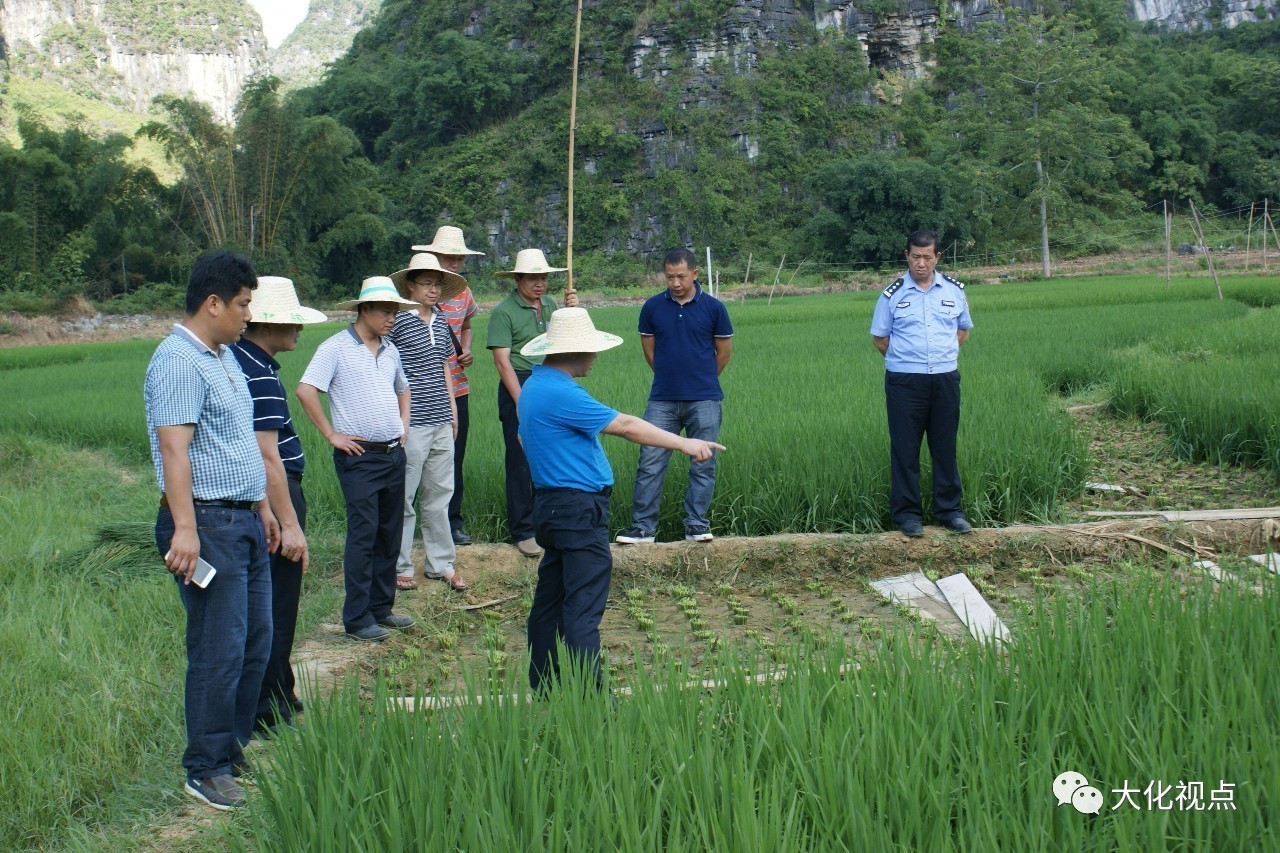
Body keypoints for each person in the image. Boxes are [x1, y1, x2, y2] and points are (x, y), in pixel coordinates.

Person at [518, 307, 725, 691]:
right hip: (577, 512)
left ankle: (544, 685)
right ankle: (594, 699)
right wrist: (685, 442)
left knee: (549, 602)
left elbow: (522, 438)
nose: (595, 357)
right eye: (591, 350)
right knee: (582, 609)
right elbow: (626, 426)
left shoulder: (534, 386)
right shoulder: (561, 392)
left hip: (551, 507)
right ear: (575, 351)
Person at [144, 250, 271, 811]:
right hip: (207, 522)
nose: (248, 315)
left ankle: (232, 751)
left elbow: (239, 442)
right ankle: (206, 767)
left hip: (241, 517)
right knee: (218, 648)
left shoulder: (223, 357)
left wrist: (263, 507)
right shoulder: (177, 360)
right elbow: (174, 448)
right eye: (243, 304)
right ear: (213, 302)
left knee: (254, 640)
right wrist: (186, 532)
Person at [296, 277, 419, 642]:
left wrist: (404, 424)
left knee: (388, 534)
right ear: (363, 310)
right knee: (364, 535)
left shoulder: (391, 349)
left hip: (393, 454)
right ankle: (357, 618)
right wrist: (332, 434)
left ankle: (382, 608)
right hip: (360, 457)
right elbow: (305, 390)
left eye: (395, 311)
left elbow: (404, 387)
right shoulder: (335, 348)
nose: (391, 317)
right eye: (385, 310)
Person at [230, 276, 326, 735]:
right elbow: (268, 456)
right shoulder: (258, 373)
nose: (297, 330)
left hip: (261, 493)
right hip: (276, 489)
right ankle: (269, 704)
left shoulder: (241, 360)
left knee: (268, 601)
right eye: (291, 321)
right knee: (277, 600)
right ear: (266, 324)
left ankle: (279, 690)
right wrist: (289, 523)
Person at [616, 248, 733, 545]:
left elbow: (723, 353)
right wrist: (669, 376)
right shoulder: (653, 307)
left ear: (695, 274)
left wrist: (702, 379)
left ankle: (696, 524)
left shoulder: (714, 308)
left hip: (704, 398)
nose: (676, 283)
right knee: (651, 460)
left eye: (681, 276)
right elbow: (649, 350)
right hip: (662, 399)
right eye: (670, 277)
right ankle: (643, 528)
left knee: (703, 462)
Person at [869, 229, 975, 538]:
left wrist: (940, 358)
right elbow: (880, 339)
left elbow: (962, 331)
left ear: (937, 257)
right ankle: (907, 515)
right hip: (904, 382)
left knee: (944, 446)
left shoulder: (953, 291)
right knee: (905, 449)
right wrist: (909, 361)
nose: (921, 263)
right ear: (907, 255)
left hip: (944, 379)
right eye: (915, 256)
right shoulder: (893, 294)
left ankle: (949, 511)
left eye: (927, 257)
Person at [485, 248, 578, 558]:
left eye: (543, 278)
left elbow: (567, 341)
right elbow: (502, 362)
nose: (540, 284)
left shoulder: (551, 305)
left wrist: (571, 312)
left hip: (550, 379)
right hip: (520, 384)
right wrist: (524, 401)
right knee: (521, 459)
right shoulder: (503, 312)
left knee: (552, 456)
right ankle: (523, 530)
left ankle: (549, 524)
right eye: (533, 278)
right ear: (518, 279)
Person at [388, 254, 468, 592]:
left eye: (437, 284)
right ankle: (400, 565)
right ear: (411, 286)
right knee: (404, 497)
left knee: (440, 495)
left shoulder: (440, 320)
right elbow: (389, 372)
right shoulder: (398, 321)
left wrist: (453, 413)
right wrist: (399, 420)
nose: (433, 289)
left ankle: (441, 563)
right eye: (426, 283)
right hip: (413, 422)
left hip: (440, 420)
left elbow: (445, 368)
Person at [412, 226, 484, 546]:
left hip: (456, 388)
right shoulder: (411, 298)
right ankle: (407, 524)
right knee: (412, 459)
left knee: (454, 458)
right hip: (417, 392)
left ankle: (452, 522)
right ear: (434, 256)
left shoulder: (463, 292)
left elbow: (466, 325)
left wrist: (465, 349)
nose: (455, 263)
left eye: (458, 258)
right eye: (449, 257)